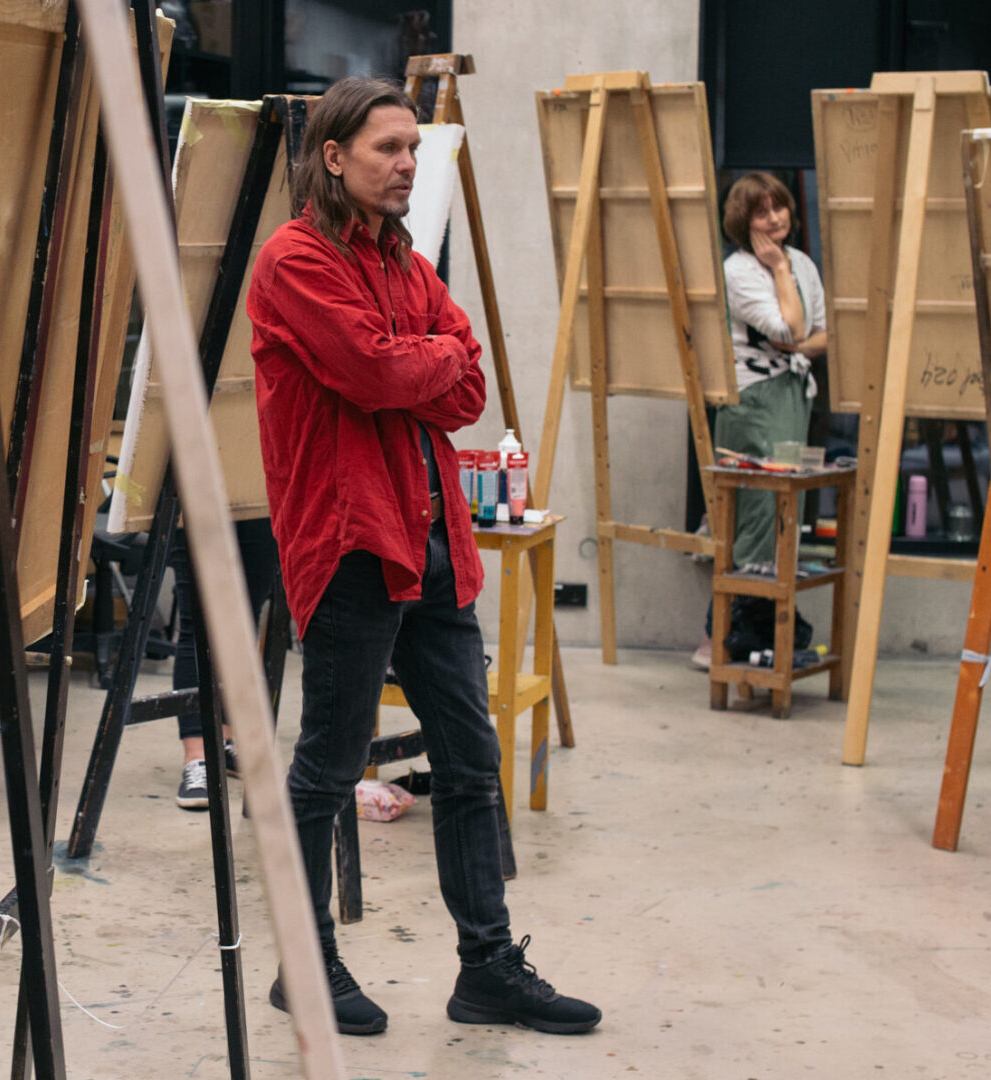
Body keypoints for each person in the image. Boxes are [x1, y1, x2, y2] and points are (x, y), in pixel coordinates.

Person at [245, 76, 601, 1036]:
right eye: (388, 149)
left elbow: (467, 385)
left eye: (412, 148)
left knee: (471, 762)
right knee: (329, 765)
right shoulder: (294, 260)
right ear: (333, 157)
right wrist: (415, 360)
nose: (408, 164)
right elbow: (372, 370)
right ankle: (304, 964)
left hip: (435, 536)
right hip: (352, 539)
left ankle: (487, 968)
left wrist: (415, 361)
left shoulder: (405, 261)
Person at [691, 172, 827, 668]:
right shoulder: (740, 270)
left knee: (787, 513)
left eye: (779, 207)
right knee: (754, 514)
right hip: (752, 401)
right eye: (761, 212)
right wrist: (780, 272)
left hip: (795, 395)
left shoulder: (803, 262)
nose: (774, 219)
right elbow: (789, 329)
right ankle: (719, 638)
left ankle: (763, 635)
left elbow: (822, 334)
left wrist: (797, 334)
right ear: (742, 221)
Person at [166, 518, 278, 809]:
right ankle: (197, 756)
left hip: (260, 503)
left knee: (243, 621)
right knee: (198, 627)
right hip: (193, 503)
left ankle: (224, 742)